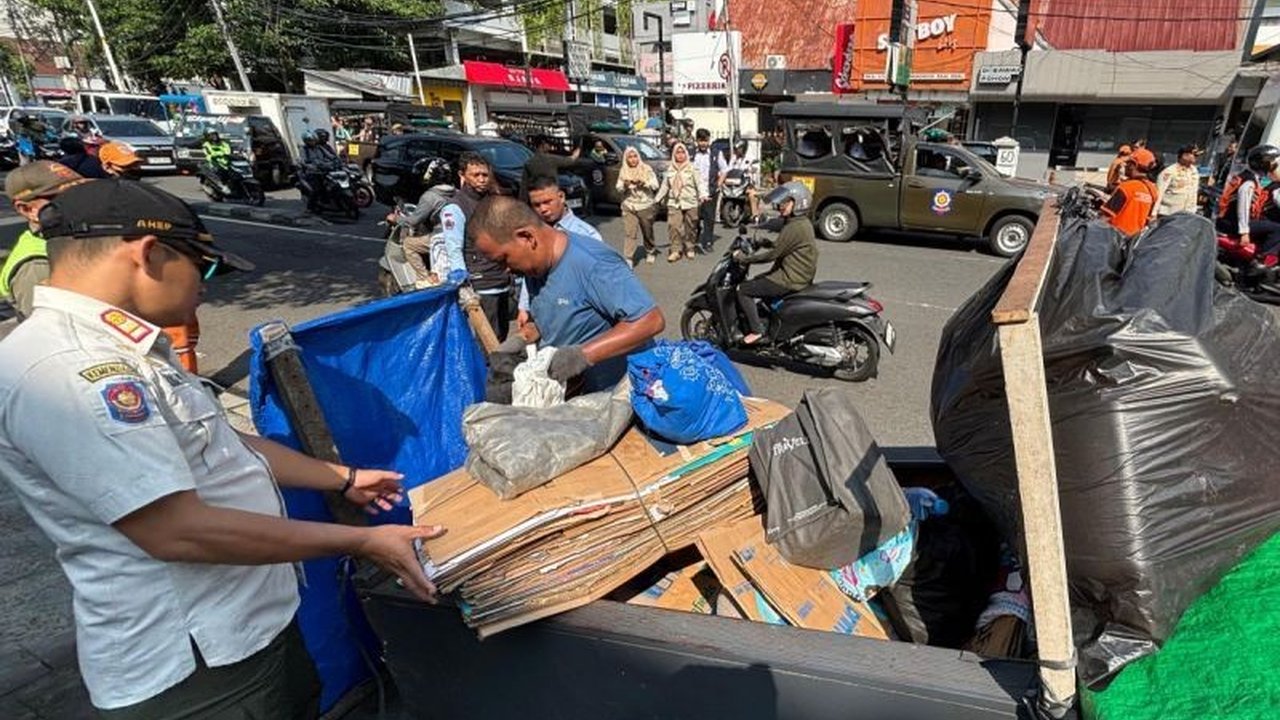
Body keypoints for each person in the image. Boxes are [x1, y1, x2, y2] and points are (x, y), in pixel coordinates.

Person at [0, 179, 444, 717]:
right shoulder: (72, 371)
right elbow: (176, 530)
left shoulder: (126, 347)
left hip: (249, 626)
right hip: (195, 663)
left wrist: (342, 478)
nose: (205, 289)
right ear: (148, 253)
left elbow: (222, 441)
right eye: (204, 269)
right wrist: (363, 541)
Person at [468, 195, 665, 393]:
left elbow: (650, 321)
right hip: (578, 394)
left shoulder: (593, 263)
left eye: (503, 259)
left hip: (621, 395)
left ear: (527, 237)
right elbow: (556, 316)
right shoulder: (535, 268)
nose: (505, 270)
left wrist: (582, 356)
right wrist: (521, 338)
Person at [517, 174, 604, 334]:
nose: (543, 209)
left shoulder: (587, 235)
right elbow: (529, 272)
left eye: (547, 202)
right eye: (537, 205)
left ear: (561, 197)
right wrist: (524, 307)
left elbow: (601, 281)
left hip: (576, 321)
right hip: (542, 317)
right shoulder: (533, 234)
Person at [734, 182, 818, 346]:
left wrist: (743, 259)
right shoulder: (800, 223)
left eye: (786, 202)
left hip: (790, 278)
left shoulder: (794, 227)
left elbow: (772, 255)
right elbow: (784, 245)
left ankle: (756, 331)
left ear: (798, 203)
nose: (781, 206)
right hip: (797, 274)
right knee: (758, 280)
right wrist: (764, 242)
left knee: (743, 289)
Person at [0, 161, 84, 320]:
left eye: (82, 192)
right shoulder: (36, 266)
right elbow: (50, 327)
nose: (82, 201)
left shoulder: (66, 237)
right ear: (27, 209)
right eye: (64, 197)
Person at [446, 151, 513, 341]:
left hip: (502, 281)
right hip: (480, 285)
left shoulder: (493, 200)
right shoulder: (455, 208)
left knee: (501, 337)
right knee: (488, 342)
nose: (482, 179)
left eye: (485, 175)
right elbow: (453, 247)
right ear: (462, 175)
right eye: (476, 175)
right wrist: (463, 282)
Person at [391, 158, 456, 287]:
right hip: (455, 235)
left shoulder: (430, 196)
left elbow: (413, 221)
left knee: (409, 244)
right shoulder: (456, 192)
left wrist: (396, 219)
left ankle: (425, 278)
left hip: (440, 237)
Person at [1217, 144, 1280, 256]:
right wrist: (1244, 232)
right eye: (1272, 161)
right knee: (1277, 229)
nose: (1275, 165)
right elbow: (1243, 207)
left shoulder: (1247, 176)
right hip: (1233, 224)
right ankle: (1263, 258)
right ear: (1264, 163)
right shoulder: (1249, 182)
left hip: (1227, 221)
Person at [656, 142, 706, 262]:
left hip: (690, 201)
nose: (680, 155)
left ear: (686, 154)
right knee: (674, 226)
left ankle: (690, 247)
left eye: (682, 152)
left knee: (691, 226)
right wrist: (657, 199)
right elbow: (665, 186)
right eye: (677, 152)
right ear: (674, 154)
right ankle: (675, 250)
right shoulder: (670, 169)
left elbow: (700, 183)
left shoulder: (692, 168)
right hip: (674, 202)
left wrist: (703, 194)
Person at [616, 145, 660, 267]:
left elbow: (655, 185)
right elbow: (618, 187)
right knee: (630, 232)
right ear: (626, 159)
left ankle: (650, 250)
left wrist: (644, 183)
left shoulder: (646, 169)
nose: (633, 159)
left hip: (645, 205)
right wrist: (625, 185)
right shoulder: (623, 170)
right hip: (629, 205)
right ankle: (628, 257)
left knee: (647, 231)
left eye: (635, 156)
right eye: (630, 157)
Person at [1101, 148, 1159, 236]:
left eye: (1128, 163)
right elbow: (1147, 219)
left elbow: (1107, 215)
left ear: (1134, 165)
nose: (1125, 165)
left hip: (1114, 236)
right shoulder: (1152, 190)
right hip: (1133, 239)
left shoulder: (1126, 187)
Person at [1153, 145, 1201, 218]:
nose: (1196, 157)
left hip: (1188, 213)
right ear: (1184, 155)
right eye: (1194, 155)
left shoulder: (1194, 171)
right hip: (1169, 213)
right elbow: (1159, 193)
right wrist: (1154, 213)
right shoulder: (1170, 171)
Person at [718, 138, 760, 220]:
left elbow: (755, 167)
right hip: (734, 183)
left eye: (739, 148)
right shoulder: (734, 158)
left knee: (751, 195)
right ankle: (720, 213)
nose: (737, 150)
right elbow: (728, 169)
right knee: (722, 194)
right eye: (736, 149)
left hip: (747, 182)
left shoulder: (750, 157)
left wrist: (751, 169)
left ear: (743, 148)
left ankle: (755, 215)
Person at [299, 130, 341, 212]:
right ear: (306, 141)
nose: (313, 142)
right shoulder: (304, 149)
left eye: (314, 140)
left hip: (323, 169)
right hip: (312, 172)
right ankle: (310, 207)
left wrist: (337, 159)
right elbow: (303, 161)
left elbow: (329, 155)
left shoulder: (319, 148)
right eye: (311, 140)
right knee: (316, 189)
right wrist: (309, 166)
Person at [691, 129, 719, 252]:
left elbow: (724, 170)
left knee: (709, 217)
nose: (703, 143)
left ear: (709, 140)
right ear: (696, 140)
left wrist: (718, 185)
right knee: (694, 216)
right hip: (694, 191)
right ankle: (694, 237)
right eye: (700, 140)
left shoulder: (715, 154)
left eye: (705, 140)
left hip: (710, 190)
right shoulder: (691, 153)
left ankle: (708, 241)